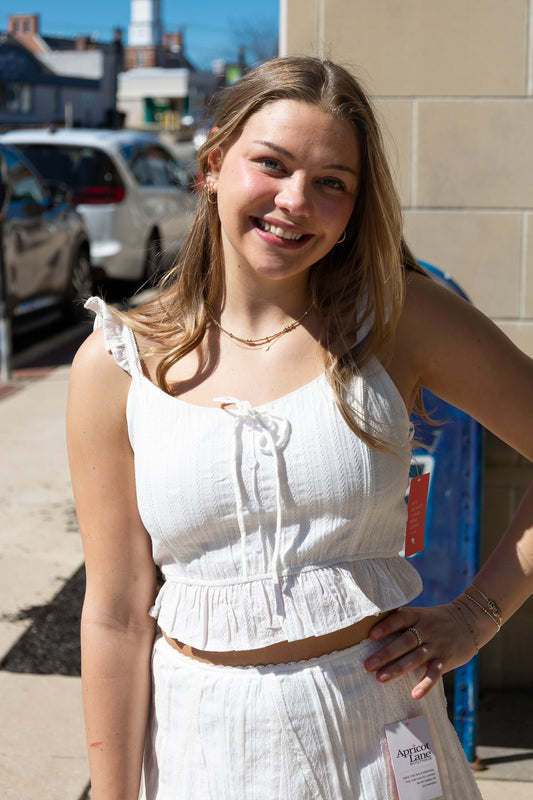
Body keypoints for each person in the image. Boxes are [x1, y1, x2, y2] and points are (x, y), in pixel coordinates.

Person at [66, 56, 533, 800]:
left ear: (355, 205)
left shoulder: (401, 318)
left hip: (374, 739)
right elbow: (117, 617)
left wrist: (476, 617)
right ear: (213, 163)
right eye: (271, 165)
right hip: (198, 747)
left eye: (331, 184)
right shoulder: (115, 362)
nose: (294, 202)